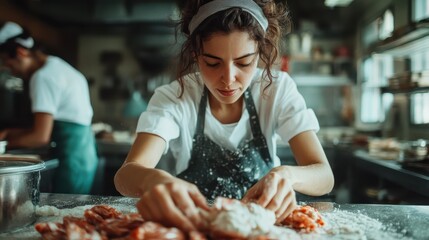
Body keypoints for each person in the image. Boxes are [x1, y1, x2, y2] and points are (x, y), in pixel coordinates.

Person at [114, 0, 334, 232]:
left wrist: (287, 176)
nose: (228, 79)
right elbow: (125, 175)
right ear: (196, 54)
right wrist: (152, 180)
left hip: (263, 231)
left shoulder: (276, 90)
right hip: (196, 229)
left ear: (260, 52)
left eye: (244, 62)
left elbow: (324, 175)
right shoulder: (175, 97)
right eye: (212, 63)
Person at [0, 21, 98, 194]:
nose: (9, 69)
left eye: (7, 62)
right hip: (84, 156)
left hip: (71, 162)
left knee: (64, 215)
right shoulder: (55, 64)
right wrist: (10, 133)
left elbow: (40, 137)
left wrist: (5, 144)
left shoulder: (42, 77)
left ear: (21, 53)